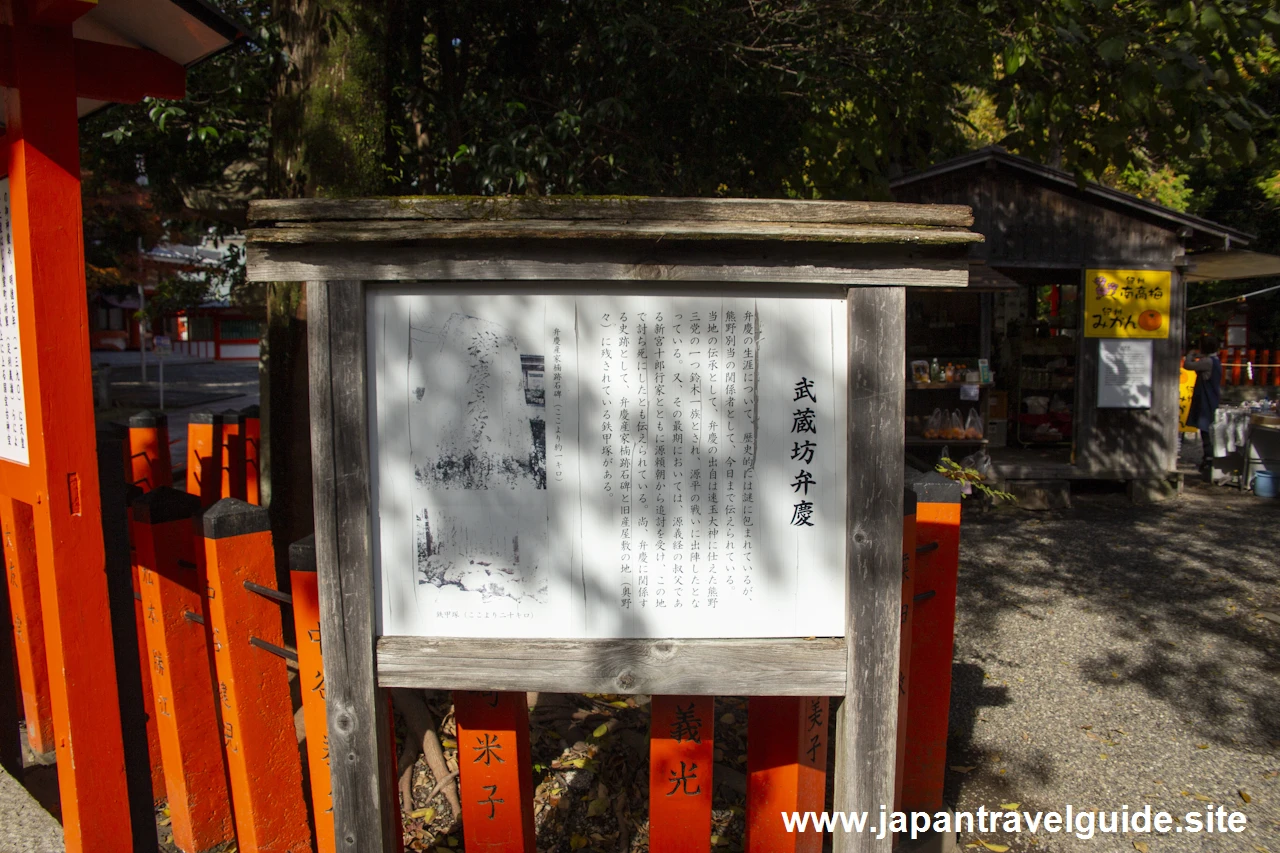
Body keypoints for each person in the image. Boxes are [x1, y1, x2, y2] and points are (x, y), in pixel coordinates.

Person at [1183, 334, 1222, 469]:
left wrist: (1189, 354)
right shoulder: (1214, 359)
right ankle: (1207, 457)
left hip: (1206, 398)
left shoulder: (1208, 362)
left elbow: (1188, 365)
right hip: (1210, 397)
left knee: (1206, 429)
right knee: (1206, 430)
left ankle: (1209, 459)